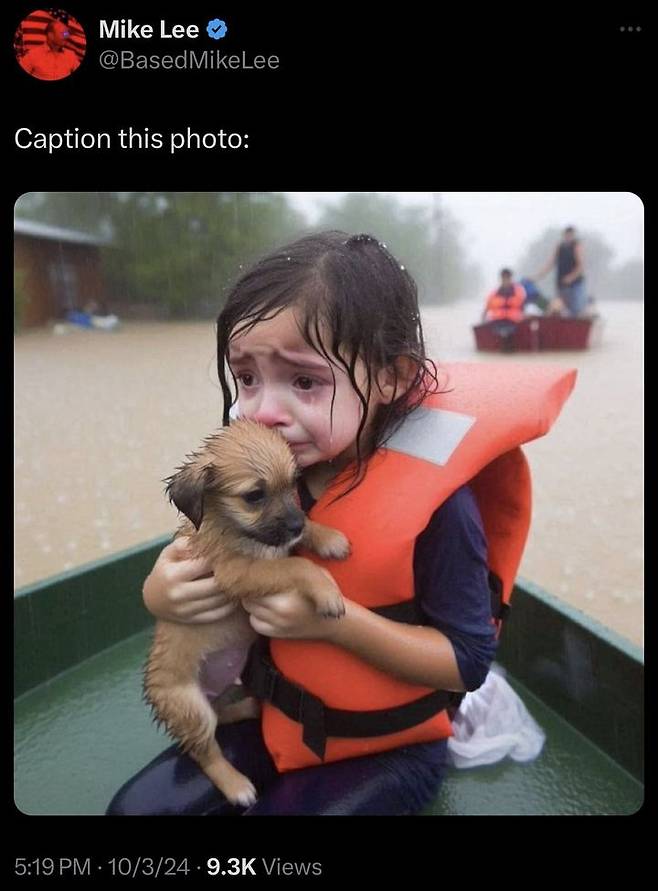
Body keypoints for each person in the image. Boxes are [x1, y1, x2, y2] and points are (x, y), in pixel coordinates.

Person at [106, 231, 574, 816]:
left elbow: (467, 663)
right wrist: (162, 592)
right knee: (135, 813)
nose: (264, 411)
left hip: (385, 743)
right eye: (246, 377)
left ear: (391, 378)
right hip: (268, 710)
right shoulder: (268, 465)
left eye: (303, 381)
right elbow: (203, 554)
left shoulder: (443, 509)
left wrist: (336, 625)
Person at [532, 226, 587, 317]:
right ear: (564, 235)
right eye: (567, 235)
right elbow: (550, 263)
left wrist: (571, 277)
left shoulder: (576, 245)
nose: (568, 237)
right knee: (559, 309)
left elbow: (581, 266)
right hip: (561, 284)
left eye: (570, 235)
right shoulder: (560, 246)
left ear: (573, 235)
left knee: (576, 309)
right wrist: (538, 276)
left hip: (575, 284)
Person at [481, 268, 527, 349]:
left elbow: (521, 304)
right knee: (499, 331)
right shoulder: (494, 292)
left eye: (507, 277)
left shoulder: (518, 290)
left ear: (510, 278)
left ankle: (508, 342)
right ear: (501, 278)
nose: (505, 279)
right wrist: (482, 319)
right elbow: (487, 307)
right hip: (497, 320)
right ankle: (502, 342)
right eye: (503, 277)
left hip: (513, 321)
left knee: (510, 332)